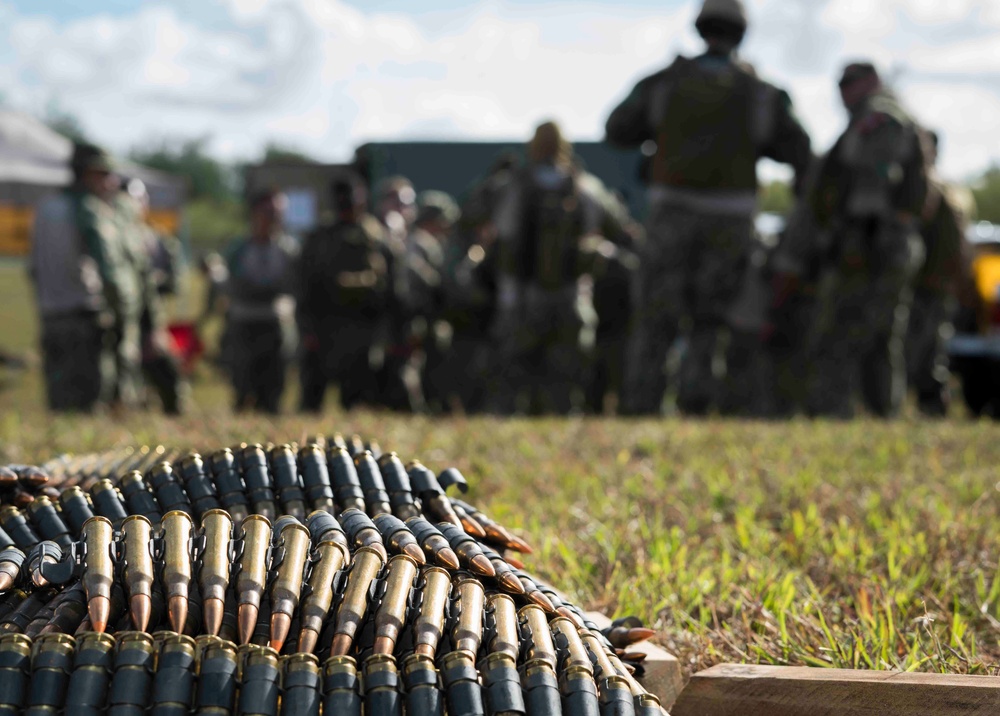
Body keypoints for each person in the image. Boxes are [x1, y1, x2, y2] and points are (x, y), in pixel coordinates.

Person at [605, 0, 811, 415]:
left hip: (669, 215)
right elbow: (799, 149)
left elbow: (616, 129)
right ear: (742, 34)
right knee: (711, 318)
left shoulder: (665, 83)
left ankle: (642, 406)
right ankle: (696, 404)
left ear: (701, 29)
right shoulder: (762, 93)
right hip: (731, 221)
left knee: (656, 314)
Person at [805, 62, 929, 418]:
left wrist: (858, 237)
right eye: (841, 84)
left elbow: (875, 179)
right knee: (882, 332)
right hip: (888, 240)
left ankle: (835, 410)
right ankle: (882, 412)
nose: (843, 92)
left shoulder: (879, 117)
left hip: (873, 240)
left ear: (871, 82)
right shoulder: (885, 115)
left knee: (845, 326)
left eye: (850, 83)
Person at [489, 121, 617, 414]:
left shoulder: (512, 184)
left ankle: (508, 420)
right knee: (565, 374)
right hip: (571, 295)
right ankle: (561, 419)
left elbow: (484, 225)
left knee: (514, 371)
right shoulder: (585, 186)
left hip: (518, 294)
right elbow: (617, 225)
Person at [28, 143, 123, 411]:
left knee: (59, 402)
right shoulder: (87, 209)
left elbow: (33, 268)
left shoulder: (45, 207)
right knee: (90, 401)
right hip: (84, 316)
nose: (110, 182)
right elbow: (108, 268)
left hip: (50, 316)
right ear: (89, 173)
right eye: (104, 175)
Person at [297, 175, 390, 412]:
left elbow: (389, 284)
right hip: (325, 325)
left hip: (361, 327)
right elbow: (305, 283)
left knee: (356, 397)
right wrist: (307, 327)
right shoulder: (321, 237)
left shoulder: (376, 235)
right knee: (312, 397)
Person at [905, 131, 975, 415]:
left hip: (927, 284)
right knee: (933, 349)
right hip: (942, 284)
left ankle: (924, 406)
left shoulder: (931, 189)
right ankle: (933, 406)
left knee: (919, 348)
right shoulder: (956, 191)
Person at [223, 189, 298, 414]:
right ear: (255, 213)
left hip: (276, 325)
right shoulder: (239, 249)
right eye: (269, 212)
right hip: (244, 324)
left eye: (278, 213)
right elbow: (228, 285)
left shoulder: (289, 249)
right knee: (243, 388)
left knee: (274, 390)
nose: (274, 218)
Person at [121, 178, 186, 415]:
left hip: (151, 322)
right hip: (119, 323)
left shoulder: (158, 240)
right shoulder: (111, 235)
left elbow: (173, 282)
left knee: (168, 377)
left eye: (137, 200)